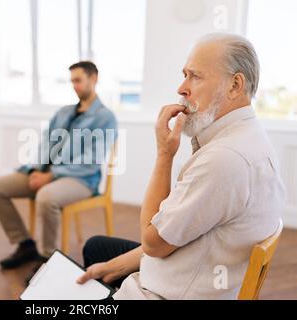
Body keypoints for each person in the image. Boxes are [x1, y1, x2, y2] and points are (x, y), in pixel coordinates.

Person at [77, 33, 286, 299]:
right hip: (197, 267)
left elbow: (153, 243)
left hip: (164, 292)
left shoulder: (223, 159)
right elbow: (179, 231)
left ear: (235, 85)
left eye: (195, 76)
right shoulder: (251, 137)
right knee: (98, 249)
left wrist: (164, 154)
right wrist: (113, 267)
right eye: (184, 74)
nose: (182, 88)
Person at [0, 61, 117, 269]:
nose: (75, 85)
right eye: (72, 81)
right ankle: (25, 243)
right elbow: (45, 141)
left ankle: (47, 259)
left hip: (80, 179)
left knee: (46, 197)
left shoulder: (106, 118)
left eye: (78, 80)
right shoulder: (63, 112)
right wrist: (37, 169)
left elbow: (92, 160)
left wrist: (51, 175)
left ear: (94, 78)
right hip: (44, 173)